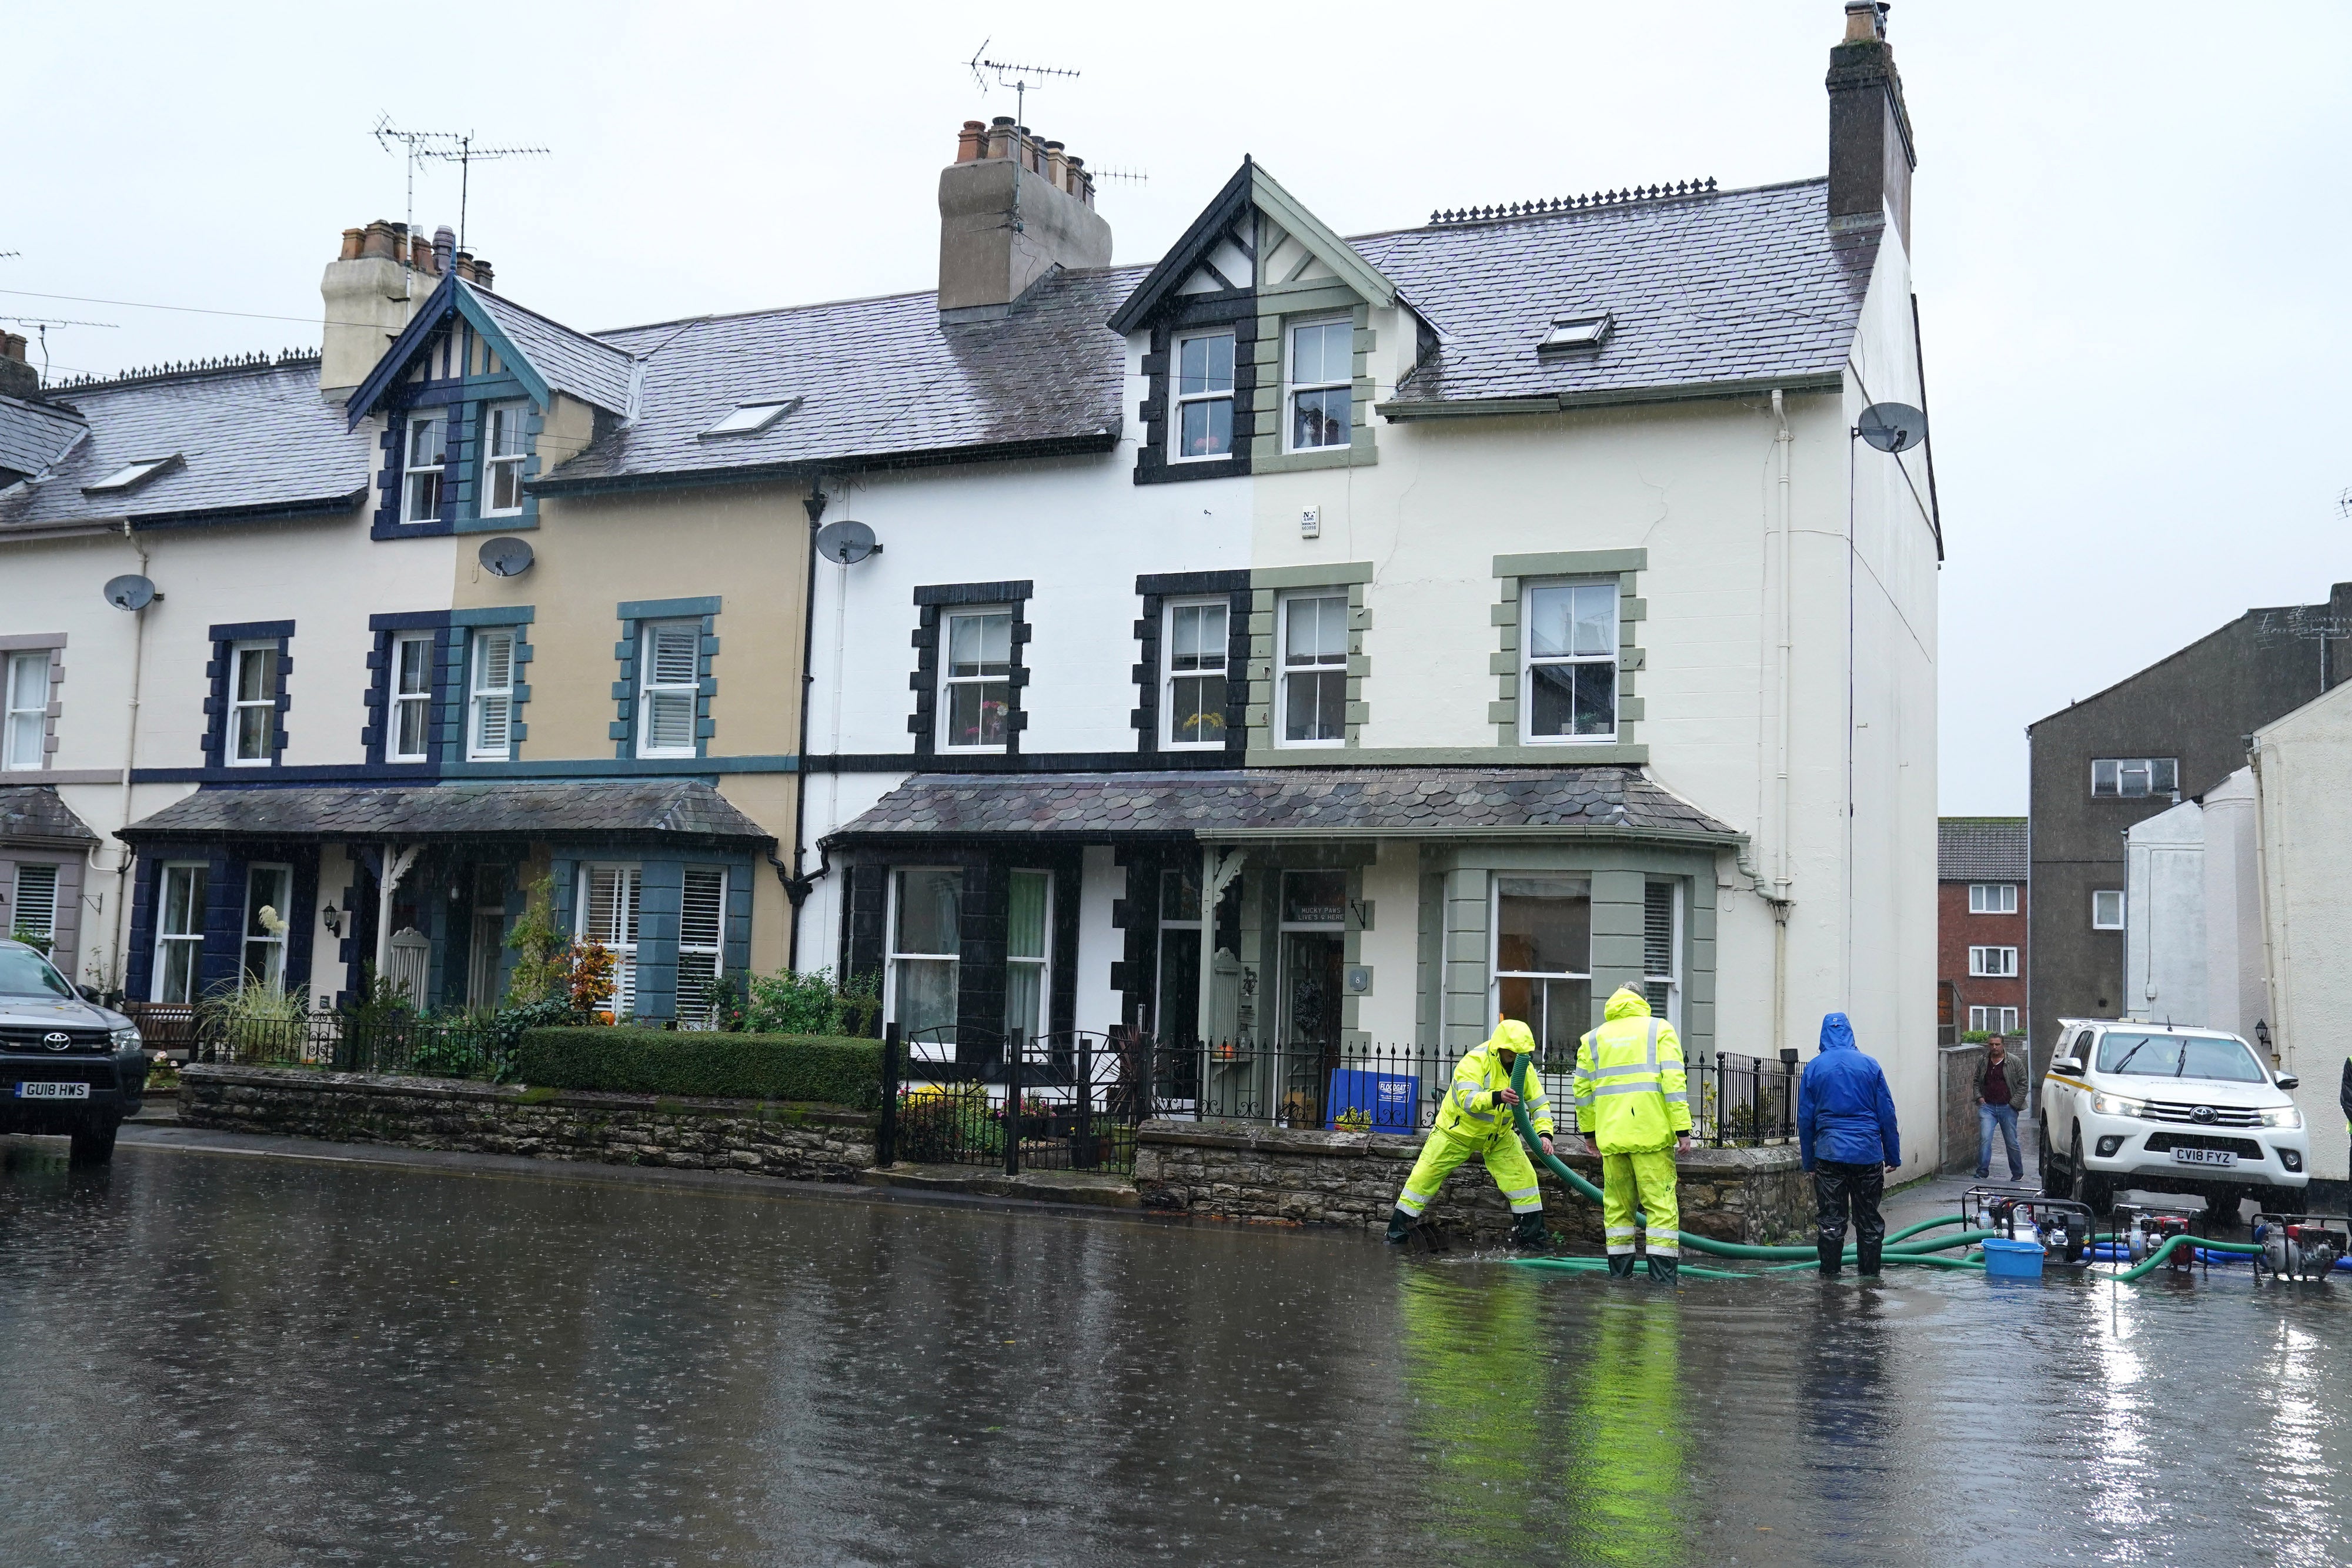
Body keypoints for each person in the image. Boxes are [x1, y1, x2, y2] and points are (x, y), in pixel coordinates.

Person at [1387, 1018, 1556, 1248]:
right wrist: (1497, 1097)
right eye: (1513, 1054)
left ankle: (1533, 1243)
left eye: (1522, 1054)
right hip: (1455, 1134)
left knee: (1525, 1181)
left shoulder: (1523, 1067)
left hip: (1499, 1139)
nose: (1517, 1058)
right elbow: (1467, 1099)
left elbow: (1539, 1104)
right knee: (1422, 1179)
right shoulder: (1476, 1060)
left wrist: (1545, 1134)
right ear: (1500, 1047)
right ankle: (1397, 1236)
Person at [1572, 986, 1692, 1281]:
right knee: (1661, 1208)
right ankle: (1662, 1282)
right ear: (1643, 1002)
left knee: (1617, 1210)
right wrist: (1682, 1129)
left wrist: (1589, 1135)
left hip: (1612, 1139)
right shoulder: (1659, 1030)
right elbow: (1674, 1082)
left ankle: (1619, 1278)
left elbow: (1582, 1093)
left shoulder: (1592, 1039)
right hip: (1650, 1137)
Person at [1797, 1012, 1901, 1278]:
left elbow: (1806, 1120)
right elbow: (1887, 1114)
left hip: (1830, 1153)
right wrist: (1893, 1155)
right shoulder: (1870, 1065)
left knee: (1832, 1220)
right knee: (1868, 1220)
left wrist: (1809, 1162)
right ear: (1850, 1033)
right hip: (1867, 1153)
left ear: (1823, 1035)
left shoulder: (1815, 1067)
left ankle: (1830, 1280)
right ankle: (1869, 1280)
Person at [1975, 1034, 2027, 1181]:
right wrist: (1980, 1097)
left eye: (1997, 1044)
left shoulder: (2014, 1062)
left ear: (2003, 1045)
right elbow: (1976, 1081)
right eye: (1991, 1044)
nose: (1994, 1047)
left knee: (2011, 1141)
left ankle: (2017, 1173)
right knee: (1985, 1138)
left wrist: (2014, 1103)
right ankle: (1982, 1171)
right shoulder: (1983, 1061)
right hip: (1988, 1107)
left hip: (2007, 1107)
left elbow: (2024, 1084)